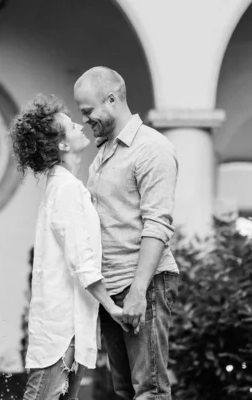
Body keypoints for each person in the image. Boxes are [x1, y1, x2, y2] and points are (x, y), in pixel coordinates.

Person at [10, 94, 129, 400]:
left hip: (69, 328)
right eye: (71, 126)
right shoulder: (66, 189)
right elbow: (82, 261)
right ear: (62, 145)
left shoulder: (64, 186)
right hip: (62, 330)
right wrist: (113, 307)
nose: (79, 125)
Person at [74, 66, 180, 400]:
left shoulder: (152, 148)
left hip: (142, 284)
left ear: (111, 98)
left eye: (89, 111)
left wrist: (138, 290)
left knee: (150, 390)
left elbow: (157, 224)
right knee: (123, 391)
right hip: (112, 289)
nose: (86, 120)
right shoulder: (104, 153)